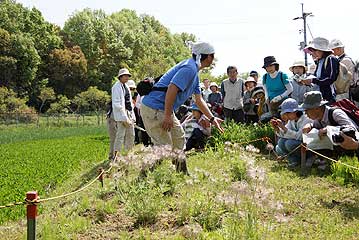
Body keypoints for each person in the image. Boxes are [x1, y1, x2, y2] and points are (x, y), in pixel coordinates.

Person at [140, 41, 223, 173]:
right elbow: (172, 89)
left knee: (179, 138)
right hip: (154, 108)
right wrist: (167, 115)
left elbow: (199, 100)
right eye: (212, 56)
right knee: (164, 147)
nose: (213, 59)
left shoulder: (195, 72)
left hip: (164, 109)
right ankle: (143, 177)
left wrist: (212, 119)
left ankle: (181, 172)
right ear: (207, 56)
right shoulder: (189, 68)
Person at [302, 91, 358, 162]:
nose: (305, 113)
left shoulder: (335, 113)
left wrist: (328, 129)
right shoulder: (318, 118)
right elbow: (315, 126)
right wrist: (310, 125)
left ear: (317, 108)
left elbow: (352, 129)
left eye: (307, 110)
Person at [270, 98, 313, 168]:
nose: (286, 115)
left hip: (307, 145)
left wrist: (283, 128)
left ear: (296, 111)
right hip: (297, 144)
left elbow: (299, 136)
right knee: (280, 142)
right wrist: (277, 129)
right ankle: (294, 160)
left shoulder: (306, 119)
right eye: (285, 113)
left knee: (289, 143)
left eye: (288, 113)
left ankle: (306, 158)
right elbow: (285, 134)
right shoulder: (292, 120)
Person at [107, 68, 135, 160]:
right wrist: (124, 117)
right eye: (125, 76)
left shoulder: (126, 86)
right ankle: (116, 156)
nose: (127, 77)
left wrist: (131, 115)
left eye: (128, 76)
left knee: (131, 134)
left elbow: (129, 102)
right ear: (120, 77)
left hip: (128, 113)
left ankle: (129, 153)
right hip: (121, 114)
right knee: (120, 135)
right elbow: (117, 104)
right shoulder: (116, 87)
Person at [303, 37, 339, 104]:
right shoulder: (319, 61)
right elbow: (317, 77)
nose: (313, 53)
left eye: (315, 50)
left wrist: (313, 80)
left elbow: (330, 79)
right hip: (321, 95)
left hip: (329, 95)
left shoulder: (331, 59)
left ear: (322, 50)